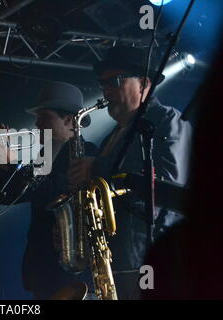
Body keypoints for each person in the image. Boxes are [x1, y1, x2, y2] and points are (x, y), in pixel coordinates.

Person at [69, 46, 193, 299]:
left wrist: (97, 168)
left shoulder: (167, 120)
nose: (105, 89)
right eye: (102, 83)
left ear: (144, 84)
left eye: (114, 81)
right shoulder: (111, 137)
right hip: (117, 260)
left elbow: (167, 181)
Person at [0, 81, 98, 299]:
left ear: (69, 119)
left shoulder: (86, 154)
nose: (37, 123)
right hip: (43, 268)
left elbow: (54, 191)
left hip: (71, 268)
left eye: (45, 116)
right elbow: (8, 195)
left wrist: (11, 164)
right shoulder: (44, 156)